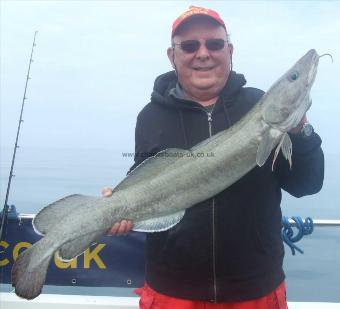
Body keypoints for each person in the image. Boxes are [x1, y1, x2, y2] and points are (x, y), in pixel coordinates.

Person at [102, 6, 324, 309]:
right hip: (172, 291)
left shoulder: (257, 103)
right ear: (172, 56)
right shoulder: (151, 116)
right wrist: (121, 201)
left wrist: (300, 131)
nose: (203, 53)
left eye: (214, 44)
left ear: (229, 50)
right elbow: (145, 172)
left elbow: (307, 184)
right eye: (190, 46)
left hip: (255, 290)